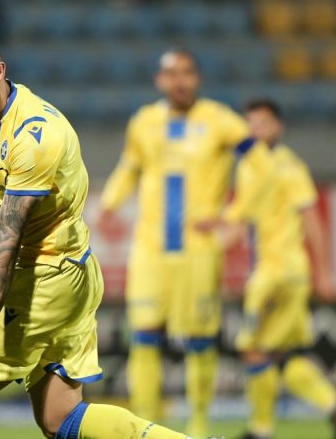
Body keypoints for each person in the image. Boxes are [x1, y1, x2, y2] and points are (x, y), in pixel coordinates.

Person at [0, 24, 216, 439]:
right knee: (59, 417)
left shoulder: (36, 135)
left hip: (47, 276)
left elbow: (8, 238)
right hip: (67, 274)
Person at [95, 48, 273, 437]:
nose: (180, 81)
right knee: (143, 335)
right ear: (160, 80)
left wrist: (234, 215)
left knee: (199, 340)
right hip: (150, 247)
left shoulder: (220, 120)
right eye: (172, 73)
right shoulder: (144, 121)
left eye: (187, 72)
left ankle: (198, 425)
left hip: (199, 249)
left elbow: (261, 164)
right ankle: (144, 426)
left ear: (198, 78)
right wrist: (108, 205)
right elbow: (129, 167)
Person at [213, 99, 336, 439]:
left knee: (252, 348)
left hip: (275, 273)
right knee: (282, 353)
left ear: (278, 127)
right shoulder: (250, 166)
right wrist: (214, 248)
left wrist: (324, 272)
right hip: (287, 273)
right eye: (251, 124)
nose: (256, 130)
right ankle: (333, 405)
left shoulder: (288, 167)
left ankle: (262, 429)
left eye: (263, 123)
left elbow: (311, 218)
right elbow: (243, 223)